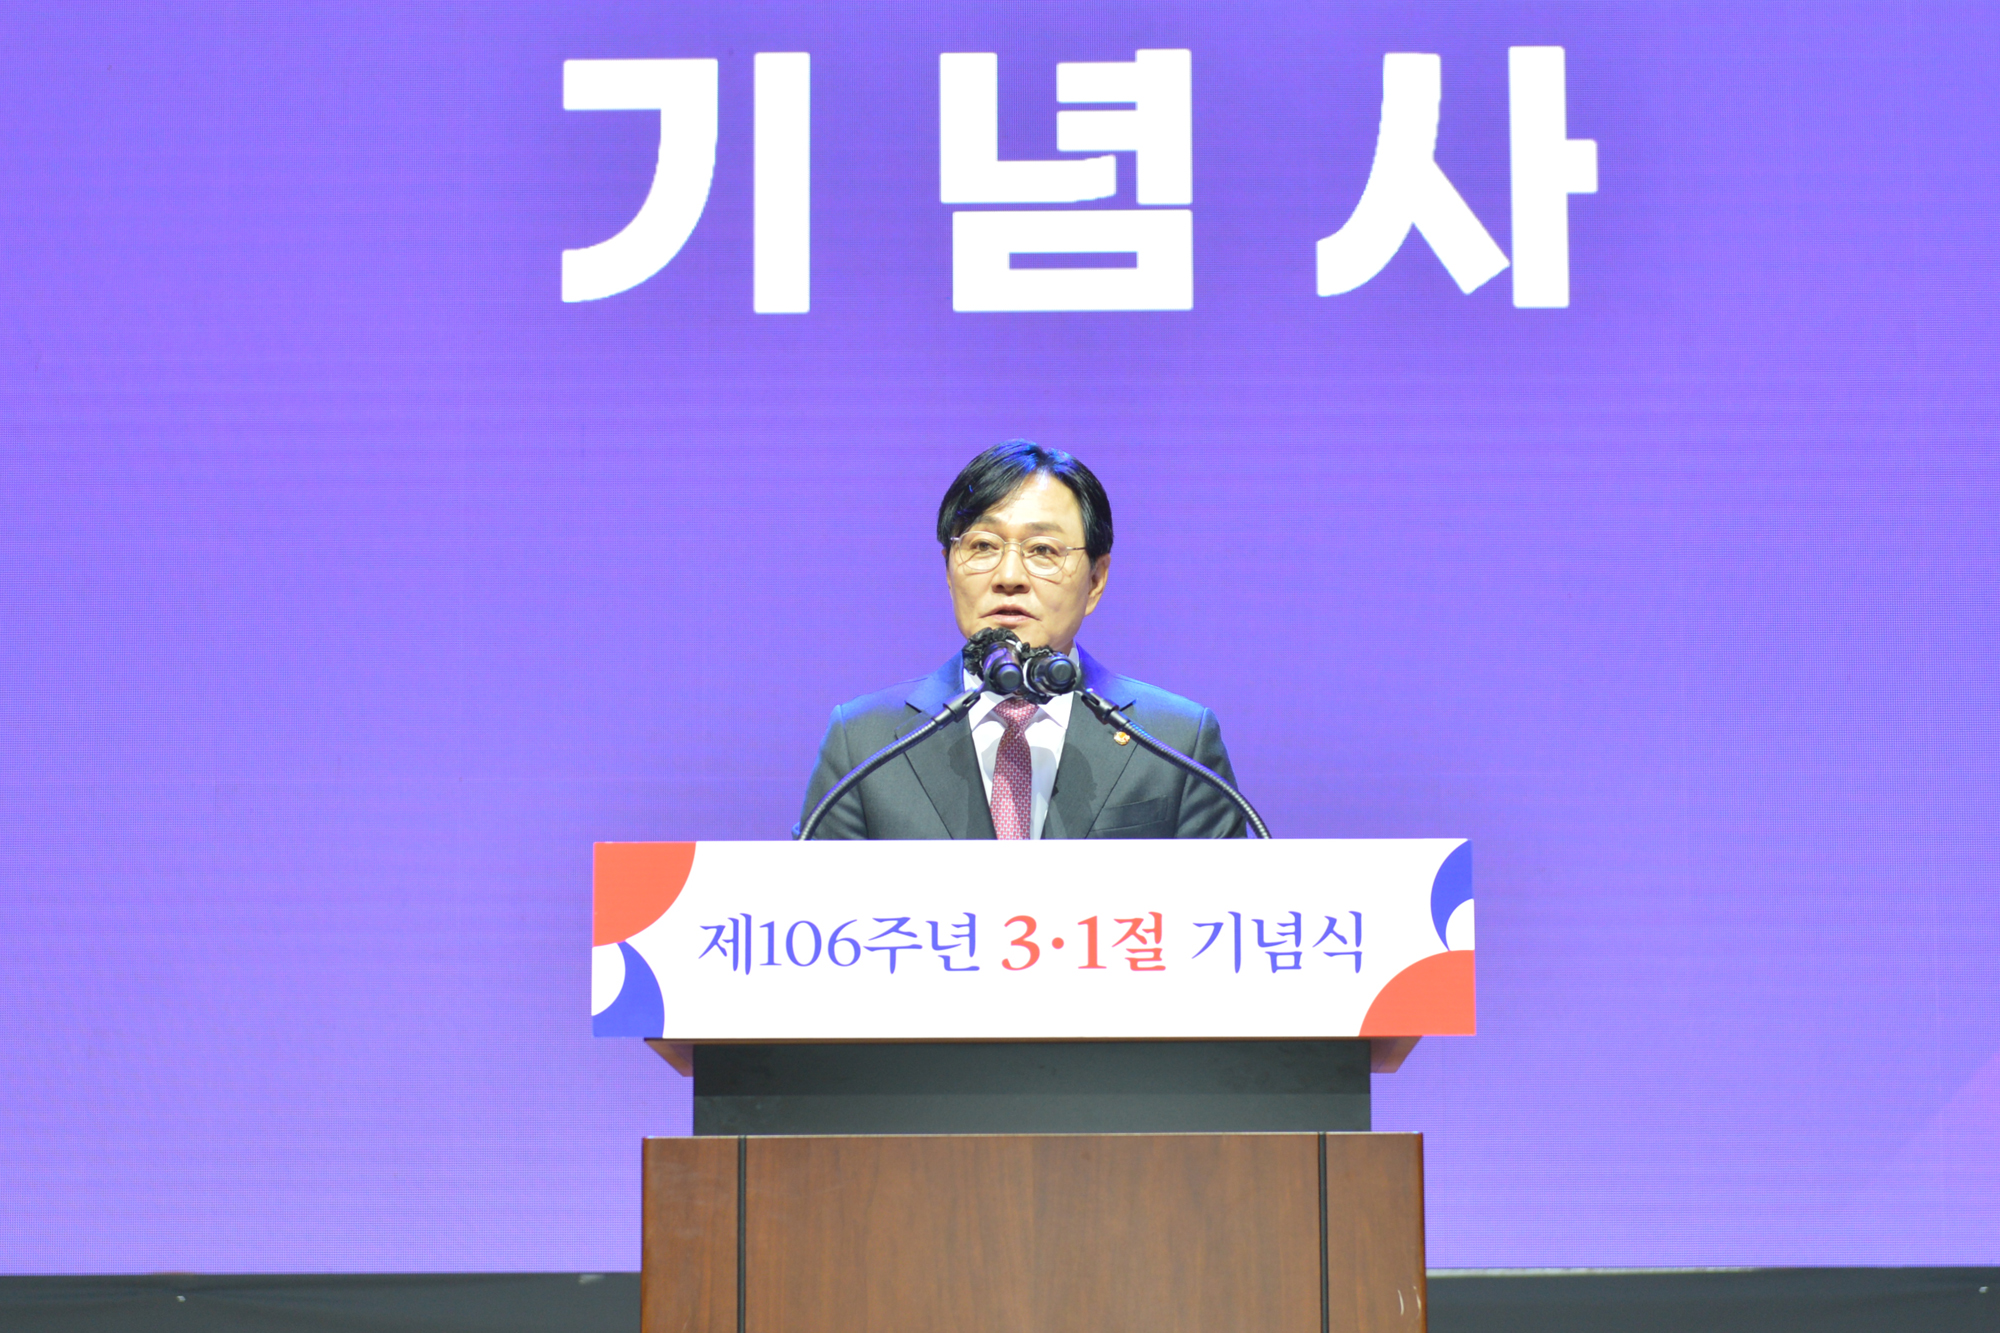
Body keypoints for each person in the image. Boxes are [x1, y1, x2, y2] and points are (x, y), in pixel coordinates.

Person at [796, 440, 1246, 839]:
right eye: (982, 546)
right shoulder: (865, 743)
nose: (1009, 576)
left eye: (1043, 550)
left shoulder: (1175, 743)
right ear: (948, 570)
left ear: (1096, 580)